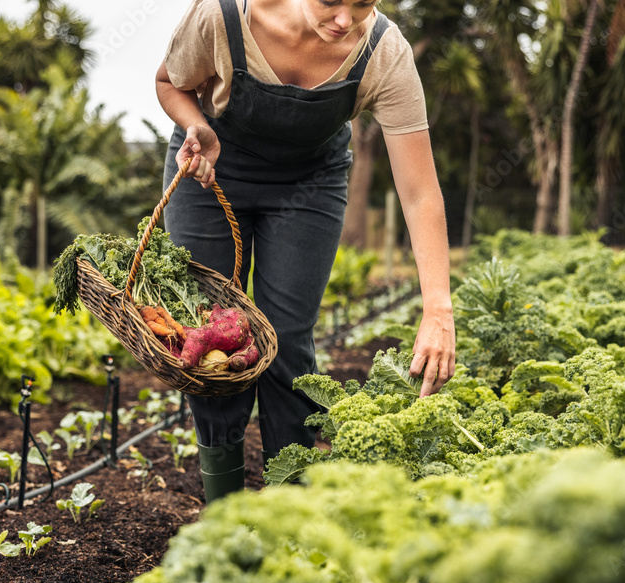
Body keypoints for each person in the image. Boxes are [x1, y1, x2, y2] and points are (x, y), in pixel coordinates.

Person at [156, 0, 456, 502]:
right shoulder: (223, 16)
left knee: (286, 341)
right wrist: (196, 125)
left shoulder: (384, 52)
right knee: (210, 334)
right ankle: (223, 508)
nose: (344, 20)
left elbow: (420, 191)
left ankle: (287, 506)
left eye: (361, 4)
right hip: (210, 170)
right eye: (330, 2)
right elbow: (170, 82)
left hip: (309, 184)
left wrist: (438, 307)